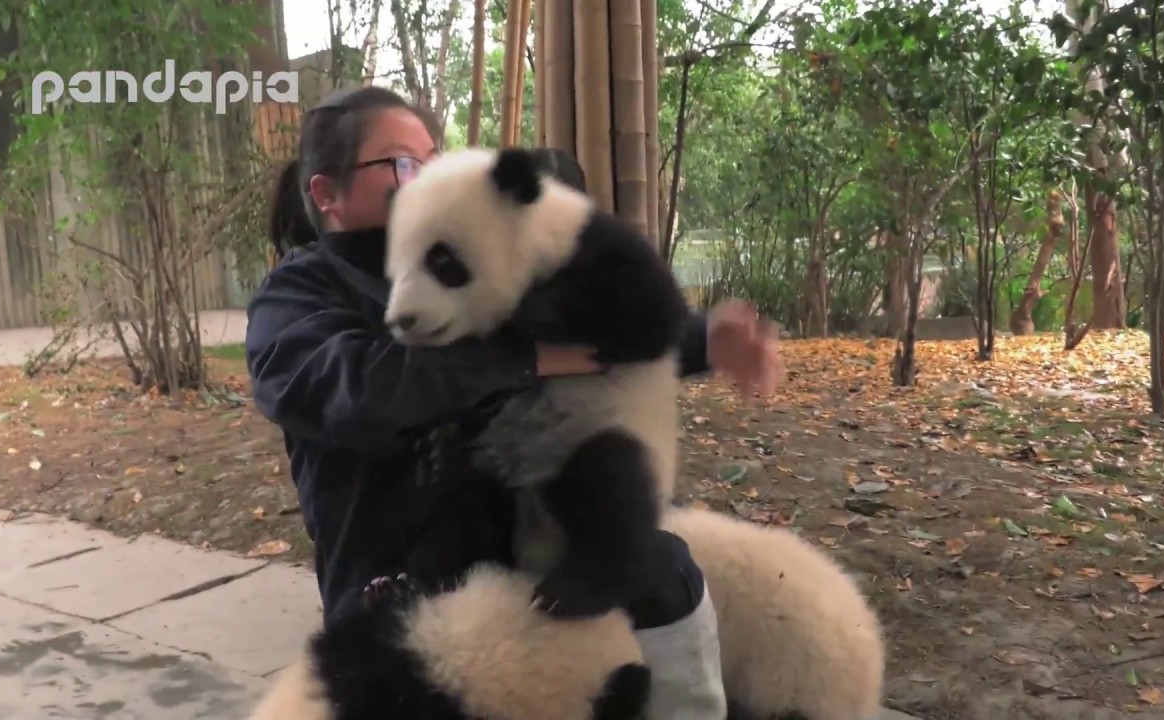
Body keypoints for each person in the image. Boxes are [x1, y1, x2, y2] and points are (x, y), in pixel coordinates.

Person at [245, 86, 783, 718]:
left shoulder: (471, 250)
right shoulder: (296, 294)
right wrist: (519, 359)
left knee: (663, 568)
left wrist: (705, 340)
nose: (430, 176)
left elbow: (591, 330)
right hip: (406, 583)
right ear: (326, 194)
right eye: (403, 164)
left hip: (525, 544)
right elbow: (354, 389)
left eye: (435, 157)